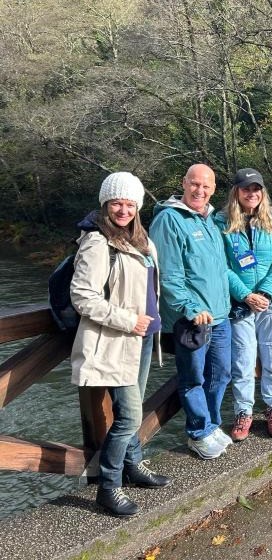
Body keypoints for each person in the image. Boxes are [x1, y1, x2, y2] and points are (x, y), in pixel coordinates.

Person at [70, 171, 170, 517]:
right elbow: (82, 296)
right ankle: (109, 487)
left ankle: (134, 465)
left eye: (129, 203)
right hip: (116, 341)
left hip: (141, 340)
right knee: (127, 417)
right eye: (117, 202)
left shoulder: (139, 239)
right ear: (105, 204)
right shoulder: (99, 242)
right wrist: (129, 320)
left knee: (134, 408)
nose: (123, 209)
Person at [150, 163, 232, 460]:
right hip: (191, 319)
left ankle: (211, 425)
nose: (200, 190)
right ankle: (197, 432)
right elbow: (168, 274)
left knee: (221, 374)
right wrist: (190, 307)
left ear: (213, 190)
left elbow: (218, 270)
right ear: (184, 183)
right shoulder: (169, 220)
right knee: (193, 377)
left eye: (206, 186)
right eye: (195, 184)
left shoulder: (209, 220)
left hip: (220, 316)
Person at [214, 168, 272, 441]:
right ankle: (244, 412)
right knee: (243, 361)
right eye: (246, 188)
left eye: (256, 189)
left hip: (271, 302)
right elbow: (221, 266)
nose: (251, 193)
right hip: (240, 304)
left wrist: (266, 293)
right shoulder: (220, 222)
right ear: (236, 192)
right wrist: (246, 294)